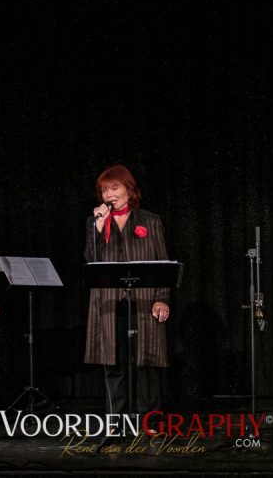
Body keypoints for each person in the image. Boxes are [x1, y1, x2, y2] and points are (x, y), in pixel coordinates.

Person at [83, 164, 171, 414]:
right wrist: (98, 230)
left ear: (129, 190)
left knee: (147, 363)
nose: (108, 195)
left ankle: (149, 419)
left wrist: (161, 299)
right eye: (103, 190)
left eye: (114, 187)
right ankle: (116, 419)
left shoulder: (150, 221)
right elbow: (91, 261)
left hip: (144, 300)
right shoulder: (94, 223)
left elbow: (162, 263)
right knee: (114, 365)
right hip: (109, 302)